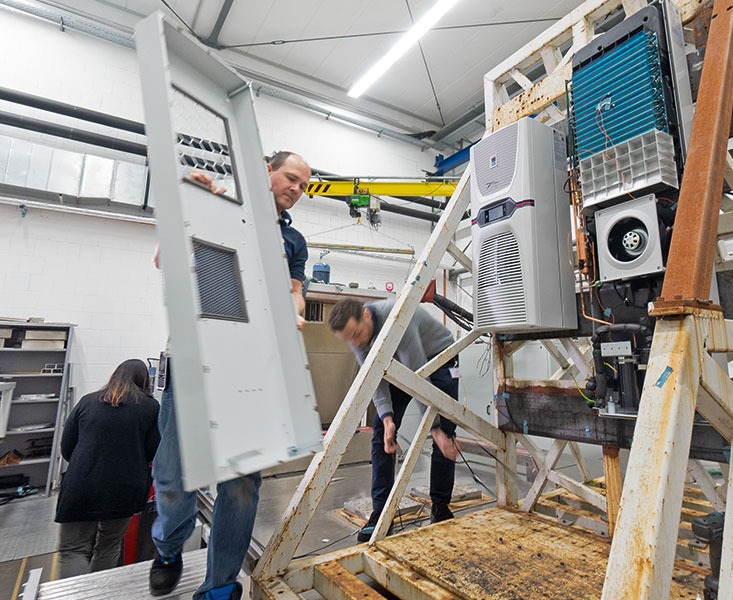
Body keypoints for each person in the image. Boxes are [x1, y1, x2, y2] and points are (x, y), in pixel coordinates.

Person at [149, 151, 312, 600]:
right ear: (267, 172)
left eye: (303, 185)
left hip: (248, 365)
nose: (296, 189)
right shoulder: (218, 203)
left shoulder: (291, 241)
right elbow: (165, 259)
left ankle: (219, 587)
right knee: (174, 472)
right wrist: (192, 204)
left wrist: (292, 313)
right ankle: (167, 547)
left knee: (241, 482)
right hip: (193, 355)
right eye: (291, 178)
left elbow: (295, 294)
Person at [328, 297, 459, 542]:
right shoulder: (357, 334)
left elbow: (417, 375)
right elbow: (375, 380)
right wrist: (388, 419)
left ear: (366, 316)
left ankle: (440, 507)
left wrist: (436, 430)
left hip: (438, 357)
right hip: (400, 364)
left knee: (444, 430)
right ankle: (380, 512)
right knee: (381, 431)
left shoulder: (398, 318)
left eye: (357, 334)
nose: (356, 343)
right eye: (350, 340)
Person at [55, 359, 160, 579]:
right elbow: (152, 451)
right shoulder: (150, 407)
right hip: (124, 488)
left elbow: (67, 449)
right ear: (144, 381)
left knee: (73, 549)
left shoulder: (87, 402)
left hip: (81, 484)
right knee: (109, 545)